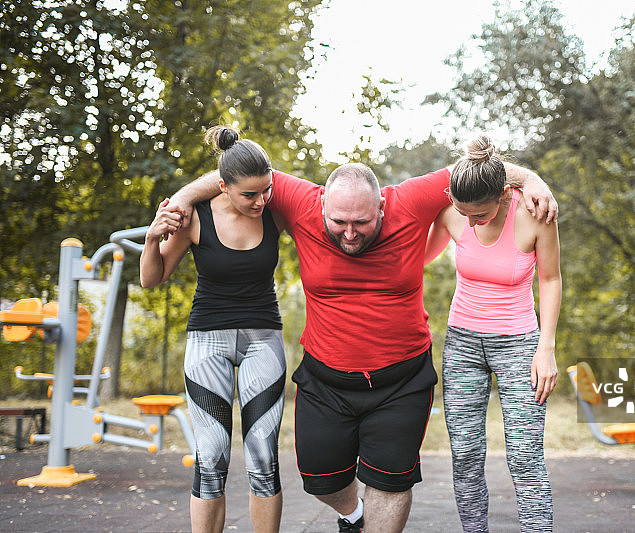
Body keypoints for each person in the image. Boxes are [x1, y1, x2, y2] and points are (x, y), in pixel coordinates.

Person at [169, 153, 557, 533]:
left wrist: (530, 179)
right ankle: (354, 517)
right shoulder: (300, 200)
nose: (350, 233)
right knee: (320, 477)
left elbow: (476, 167)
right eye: (339, 222)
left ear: (382, 209)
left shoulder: (410, 200)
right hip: (325, 379)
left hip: (401, 380)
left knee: (391, 482)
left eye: (362, 222)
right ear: (322, 204)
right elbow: (238, 168)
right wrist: (185, 198)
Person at [140, 126, 286, 533]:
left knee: (262, 453)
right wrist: (153, 239)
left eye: (266, 191)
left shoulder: (275, 211)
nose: (260, 201)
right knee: (211, 456)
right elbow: (152, 279)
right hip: (208, 338)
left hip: (263, 338)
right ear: (223, 187)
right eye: (249, 195)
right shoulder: (194, 218)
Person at [424, 134, 561, 532]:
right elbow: (415, 260)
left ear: (503, 195)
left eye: (479, 215)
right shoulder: (454, 211)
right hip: (462, 344)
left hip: (520, 344)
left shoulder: (534, 215)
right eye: (463, 212)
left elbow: (551, 280)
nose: (469, 222)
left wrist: (545, 348)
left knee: (524, 455)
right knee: (465, 454)